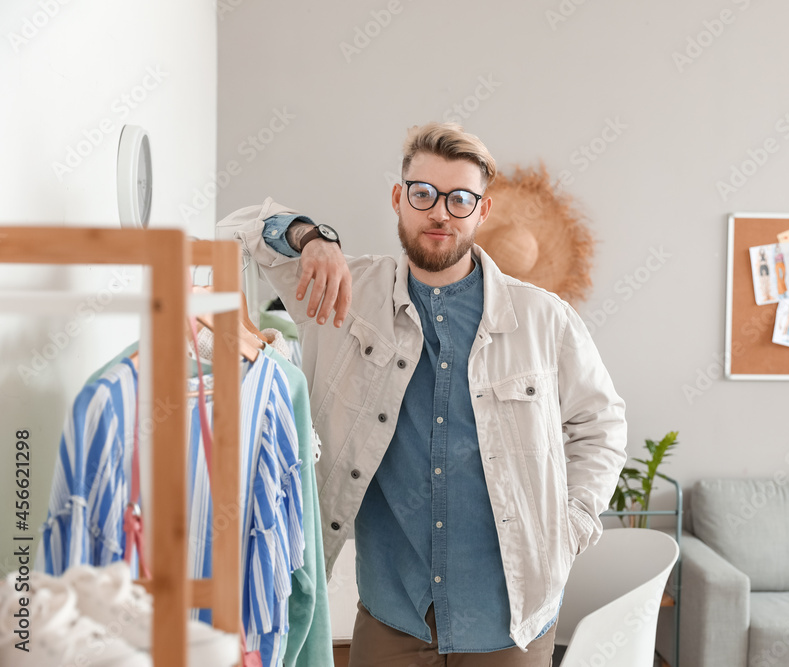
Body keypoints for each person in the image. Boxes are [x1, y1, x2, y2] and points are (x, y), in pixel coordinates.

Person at [217, 122, 627, 666]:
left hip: (509, 622)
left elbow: (601, 425)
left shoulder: (542, 319)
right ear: (398, 199)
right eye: (423, 194)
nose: (439, 213)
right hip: (392, 615)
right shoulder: (342, 293)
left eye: (460, 199)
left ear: (482, 211)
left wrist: (569, 524)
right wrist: (312, 238)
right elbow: (236, 229)